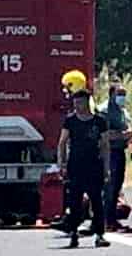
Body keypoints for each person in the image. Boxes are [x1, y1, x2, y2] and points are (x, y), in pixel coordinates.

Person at [58, 88, 110, 248]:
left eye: (80, 102)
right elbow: (62, 142)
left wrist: (106, 168)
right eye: (75, 102)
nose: (77, 105)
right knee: (74, 201)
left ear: (88, 101)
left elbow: (105, 145)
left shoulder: (99, 121)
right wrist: (63, 164)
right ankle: (73, 233)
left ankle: (100, 234)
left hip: (94, 165)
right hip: (75, 166)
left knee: (97, 201)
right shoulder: (70, 121)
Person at [105, 85, 132, 232]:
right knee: (110, 187)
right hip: (109, 153)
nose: (122, 96)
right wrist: (123, 135)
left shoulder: (122, 112)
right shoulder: (105, 111)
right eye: (119, 94)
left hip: (120, 151)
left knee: (116, 187)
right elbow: (104, 134)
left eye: (124, 93)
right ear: (111, 95)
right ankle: (106, 220)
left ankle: (112, 219)